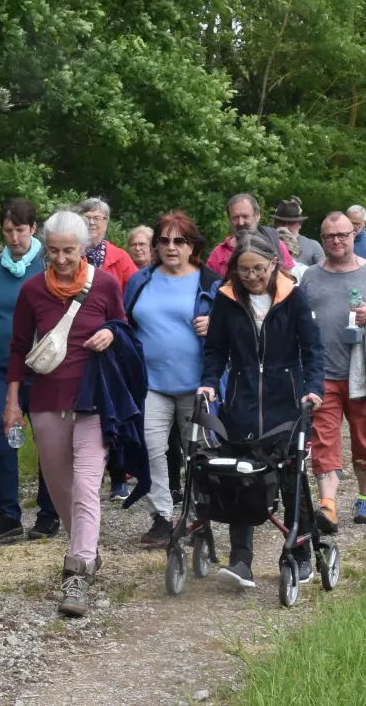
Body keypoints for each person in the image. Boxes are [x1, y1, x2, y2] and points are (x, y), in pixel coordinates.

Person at [4, 211, 128, 616]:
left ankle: (76, 573)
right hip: (45, 401)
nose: (60, 259)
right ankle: (87, 550)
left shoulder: (106, 284)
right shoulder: (32, 290)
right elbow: (19, 347)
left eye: (68, 251)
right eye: (53, 251)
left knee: (88, 485)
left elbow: (124, 330)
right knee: (61, 489)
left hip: (94, 400)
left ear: (84, 248)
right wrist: (11, 402)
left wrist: (111, 332)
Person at [198, 231, 323, 589]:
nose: (251, 277)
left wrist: (314, 389)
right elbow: (215, 350)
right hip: (242, 399)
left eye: (258, 269)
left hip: (288, 401)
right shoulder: (226, 300)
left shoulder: (293, 298)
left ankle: (300, 554)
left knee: (291, 478)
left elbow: (312, 351)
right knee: (241, 477)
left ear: (273, 264)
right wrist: (209, 380)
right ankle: (241, 562)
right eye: (243, 270)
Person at [301, 212, 366, 529]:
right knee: (324, 440)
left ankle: (365, 500)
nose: (336, 241)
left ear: (353, 235)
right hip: (322, 375)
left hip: (363, 373)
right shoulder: (309, 277)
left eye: (342, 235)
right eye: (329, 236)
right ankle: (327, 506)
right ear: (322, 239)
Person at [123, 212, 219, 547]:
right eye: (163, 240)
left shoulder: (211, 282)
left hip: (198, 385)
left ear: (193, 245)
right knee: (150, 449)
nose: (171, 247)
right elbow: (126, 324)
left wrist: (214, 325)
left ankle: (199, 517)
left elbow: (233, 330)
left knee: (198, 454)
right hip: (150, 383)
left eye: (179, 240)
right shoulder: (141, 280)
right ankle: (162, 516)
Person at [0, 199, 60, 546]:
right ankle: (8, 514)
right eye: (7, 231)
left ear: (33, 229)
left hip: (42, 369)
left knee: (47, 437)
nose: (14, 238)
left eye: (20, 230)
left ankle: (49, 512)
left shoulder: (49, 262)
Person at [205, 193, 295, 275]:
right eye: (235, 218)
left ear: (257, 216)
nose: (240, 222)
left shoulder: (276, 244)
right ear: (229, 220)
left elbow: (288, 282)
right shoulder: (218, 254)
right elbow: (210, 287)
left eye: (245, 216)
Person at [76, 198, 139, 292]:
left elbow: (136, 290)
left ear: (106, 224)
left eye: (97, 218)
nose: (92, 222)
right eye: (87, 218)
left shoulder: (120, 258)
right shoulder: (69, 253)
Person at [273, 197, 324, 267]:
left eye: (291, 223)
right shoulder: (268, 243)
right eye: (281, 222)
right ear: (275, 224)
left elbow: (323, 274)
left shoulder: (313, 246)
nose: (285, 227)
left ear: (300, 224)